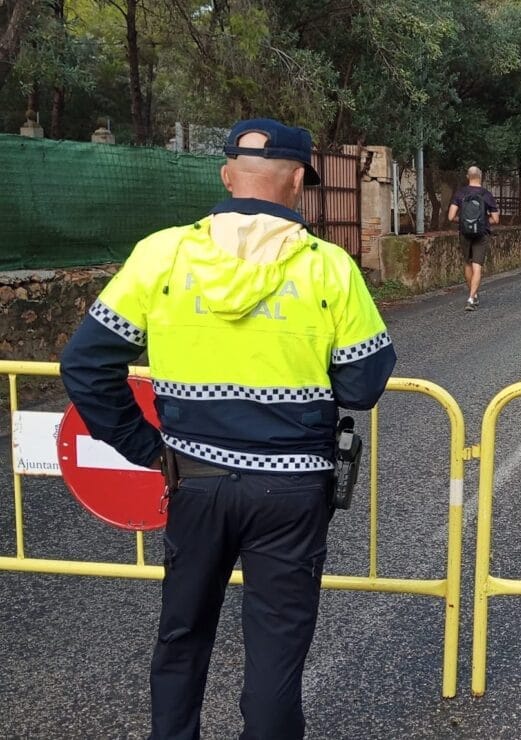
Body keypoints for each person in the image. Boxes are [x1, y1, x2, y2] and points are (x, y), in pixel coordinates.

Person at [59, 118, 396, 739]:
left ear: (224, 175)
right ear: (297, 182)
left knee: (182, 636)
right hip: (293, 491)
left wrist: (147, 448)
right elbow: (362, 386)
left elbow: (85, 365)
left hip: (194, 482)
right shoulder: (330, 268)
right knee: (274, 654)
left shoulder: (162, 253)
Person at [447, 166, 500, 311]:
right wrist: (482, 219)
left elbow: (451, 217)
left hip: (464, 233)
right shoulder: (486, 195)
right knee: (478, 266)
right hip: (481, 233)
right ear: (481, 176)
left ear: (467, 176)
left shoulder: (460, 193)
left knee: (468, 263)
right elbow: (496, 219)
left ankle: (473, 294)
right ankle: (471, 298)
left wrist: (464, 221)